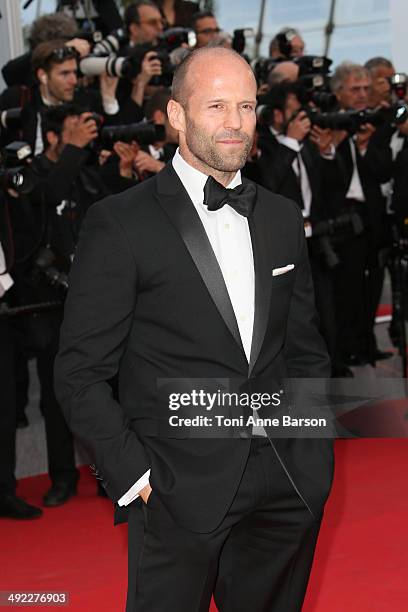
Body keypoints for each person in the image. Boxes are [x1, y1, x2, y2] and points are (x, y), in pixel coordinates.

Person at [54, 47, 334, 611]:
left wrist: (310, 457)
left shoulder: (280, 217)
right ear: (177, 116)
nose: (235, 122)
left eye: (247, 106)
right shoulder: (120, 222)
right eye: (217, 105)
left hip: (284, 481)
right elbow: (80, 373)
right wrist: (137, 478)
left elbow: (303, 349)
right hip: (175, 488)